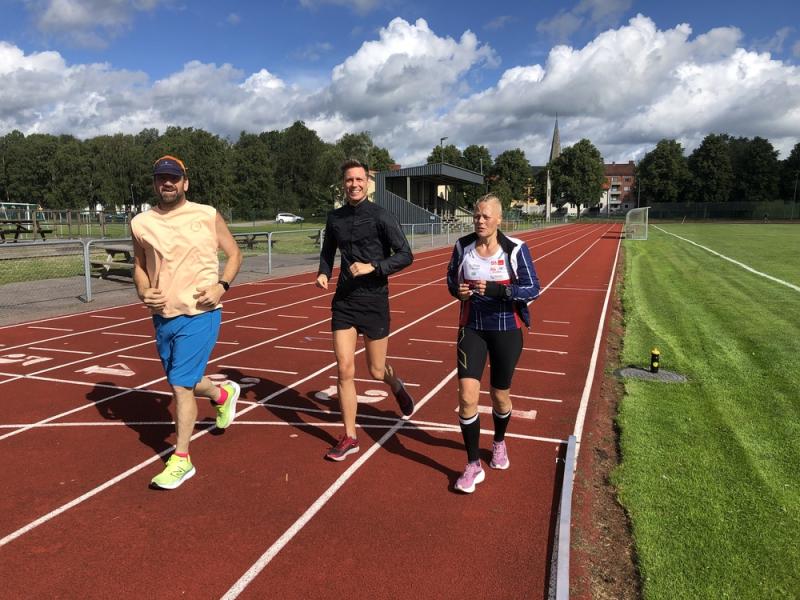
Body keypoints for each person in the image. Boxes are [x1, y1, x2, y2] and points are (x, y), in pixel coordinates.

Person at [132, 154, 243, 489]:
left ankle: (181, 459)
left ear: (185, 183)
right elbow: (139, 266)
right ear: (155, 183)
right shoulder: (141, 223)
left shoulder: (206, 214)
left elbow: (234, 254)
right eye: (161, 178)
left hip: (201, 312)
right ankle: (222, 394)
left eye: (174, 178)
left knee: (180, 386)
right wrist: (143, 291)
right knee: (183, 379)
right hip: (163, 315)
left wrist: (221, 286)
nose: (168, 183)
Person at [316, 158, 415, 461]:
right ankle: (350, 436)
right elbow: (328, 251)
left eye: (359, 179)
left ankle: (396, 384)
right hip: (344, 302)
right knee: (344, 368)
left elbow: (406, 254)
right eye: (349, 180)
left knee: (375, 370)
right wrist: (323, 273)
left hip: (374, 302)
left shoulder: (381, 216)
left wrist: (374, 267)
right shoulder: (335, 218)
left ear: (368, 183)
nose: (354, 185)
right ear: (343, 184)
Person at [446, 194, 540, 493]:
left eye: (486, 216)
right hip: (472, 328)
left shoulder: (515, 249)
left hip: (506, 330)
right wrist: (459, 292)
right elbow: (450, 281)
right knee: (466, 396)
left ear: (499, 219)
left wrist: (500, 291)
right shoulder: (462, 246)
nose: (480, 221)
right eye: (477, 215)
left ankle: (499, 442)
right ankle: (473, 464)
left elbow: (533, 288)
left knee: (500, 396)